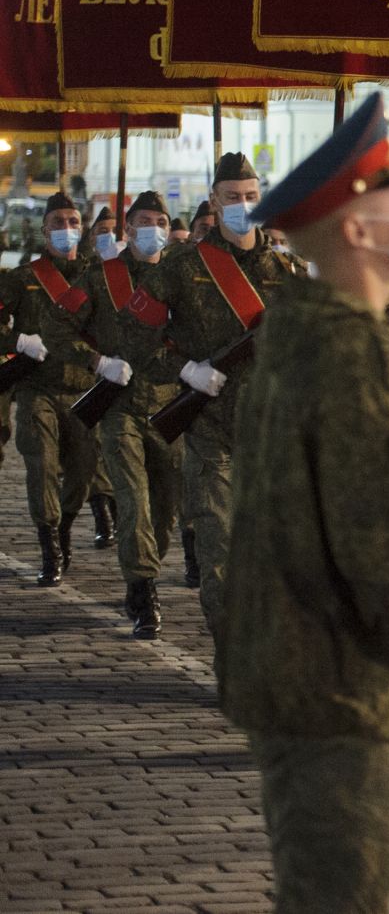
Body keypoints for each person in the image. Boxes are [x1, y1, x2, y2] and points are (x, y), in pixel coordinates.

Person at [221, 96, 389, 914]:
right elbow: (378, 548)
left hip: (307, 671)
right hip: (343, 681)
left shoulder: (306, 336)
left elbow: (344, 497)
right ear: (355, 228)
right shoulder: (358, 354)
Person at [125, 154, 301, 637]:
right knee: (220, 548)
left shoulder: (289, 270)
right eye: (232, 198)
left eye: (250, 197)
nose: (242, 206)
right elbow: (134, 334)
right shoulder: (183, 266)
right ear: (214, 202)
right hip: (210, 431)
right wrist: (185, 369)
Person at [84, 191, 183, 636]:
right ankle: (144, 590)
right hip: (119, 406)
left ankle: (143, 567)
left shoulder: (185, 277)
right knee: (133, 499)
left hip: (168, 405)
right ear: (127, 229)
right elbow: (58, 328)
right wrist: (97, 361)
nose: (153, 229)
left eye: (159, 220)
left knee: (165, 508)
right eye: (144, 220)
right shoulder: (101, 277)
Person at [0, 193, 107, 586]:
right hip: (38, 390)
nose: (66, 229)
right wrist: (17, 341)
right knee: (41, 465)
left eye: (72, 221)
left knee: (82, 472)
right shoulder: (24, 278)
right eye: (58, 222)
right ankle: (49, 545)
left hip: (83, 389)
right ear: (44, 229)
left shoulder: (98, 276)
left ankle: (63, 526)